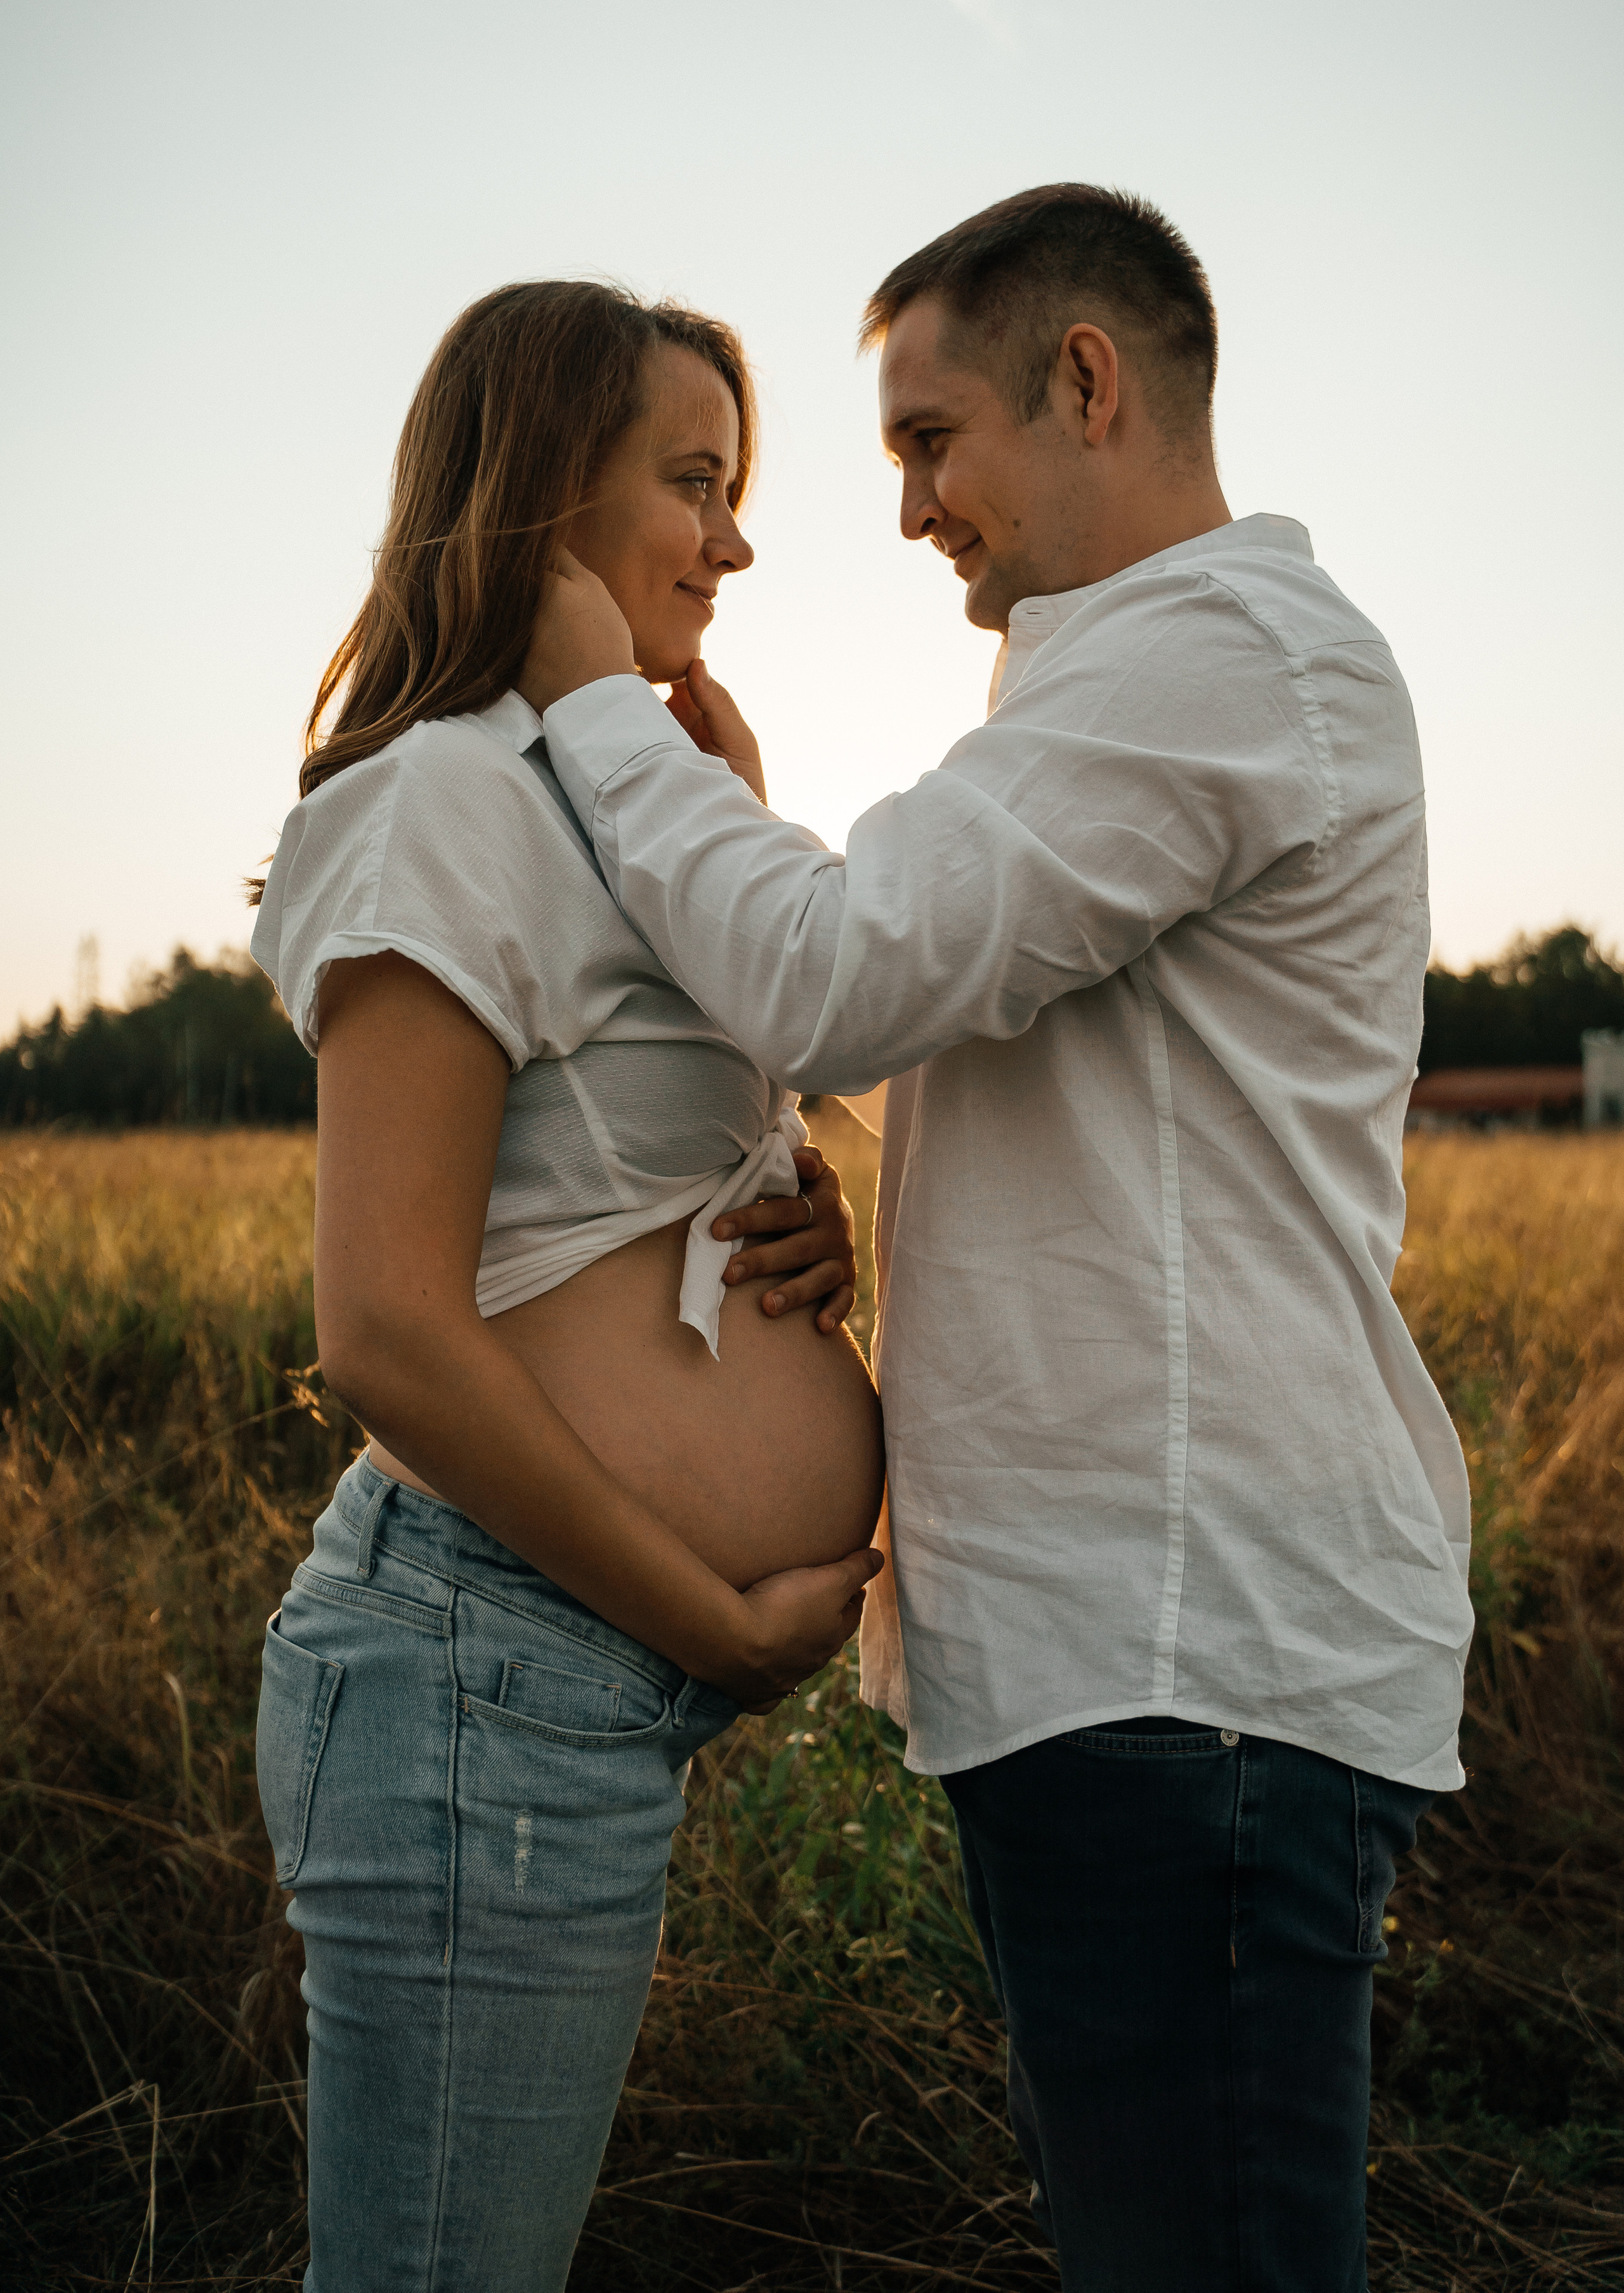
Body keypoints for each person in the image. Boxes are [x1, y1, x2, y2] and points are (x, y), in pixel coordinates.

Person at [521, 185, 1477, 2292]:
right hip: (1128, 1669)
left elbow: (850, 968)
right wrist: (871, 1147)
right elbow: (1005, 1038)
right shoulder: (1127, 689)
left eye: (926, 440)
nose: (907, 511)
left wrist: (600, 709)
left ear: (1089, 379)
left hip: (1188, 1665)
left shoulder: (1219, 664)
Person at [248, 279, 886, 2293]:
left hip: (552, 1686)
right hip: (480, 1669)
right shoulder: (445, 799)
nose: (737, 538)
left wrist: (813, 1215)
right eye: (693, 483)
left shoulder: (616, 803)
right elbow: (389, 1332)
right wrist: (712, 1615)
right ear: (540, 505)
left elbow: (644, 1190)